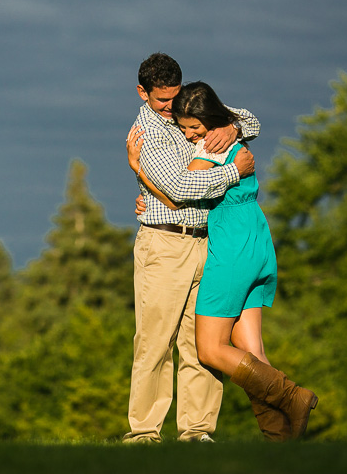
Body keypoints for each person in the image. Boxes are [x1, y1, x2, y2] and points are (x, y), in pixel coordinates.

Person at [128, 80, 317, 441]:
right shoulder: (232, 137)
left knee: (211, 349)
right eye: (183, 128)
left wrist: (139, 169)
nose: (187, 135)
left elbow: (177, 196)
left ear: (207, 119)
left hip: (229, 245)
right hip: (256, 238)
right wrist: (232, 127)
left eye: (192, 127)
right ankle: (280, 437)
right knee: (251, 348)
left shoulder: (208, 149)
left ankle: (295, 397)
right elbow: (249, 121)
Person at [123, 53, 259, 443]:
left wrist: (231, 128)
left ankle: (197, 431)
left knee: (199, 342)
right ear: (142, 93)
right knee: (155, 341)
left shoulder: (189, 109)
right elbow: (180, 191)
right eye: (161, 100)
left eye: (174, 96)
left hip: (207, 242)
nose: (169, 107)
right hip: (165, 242)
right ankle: (145, 432)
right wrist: (235, 171)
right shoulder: (147, 133)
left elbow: (253, 121)